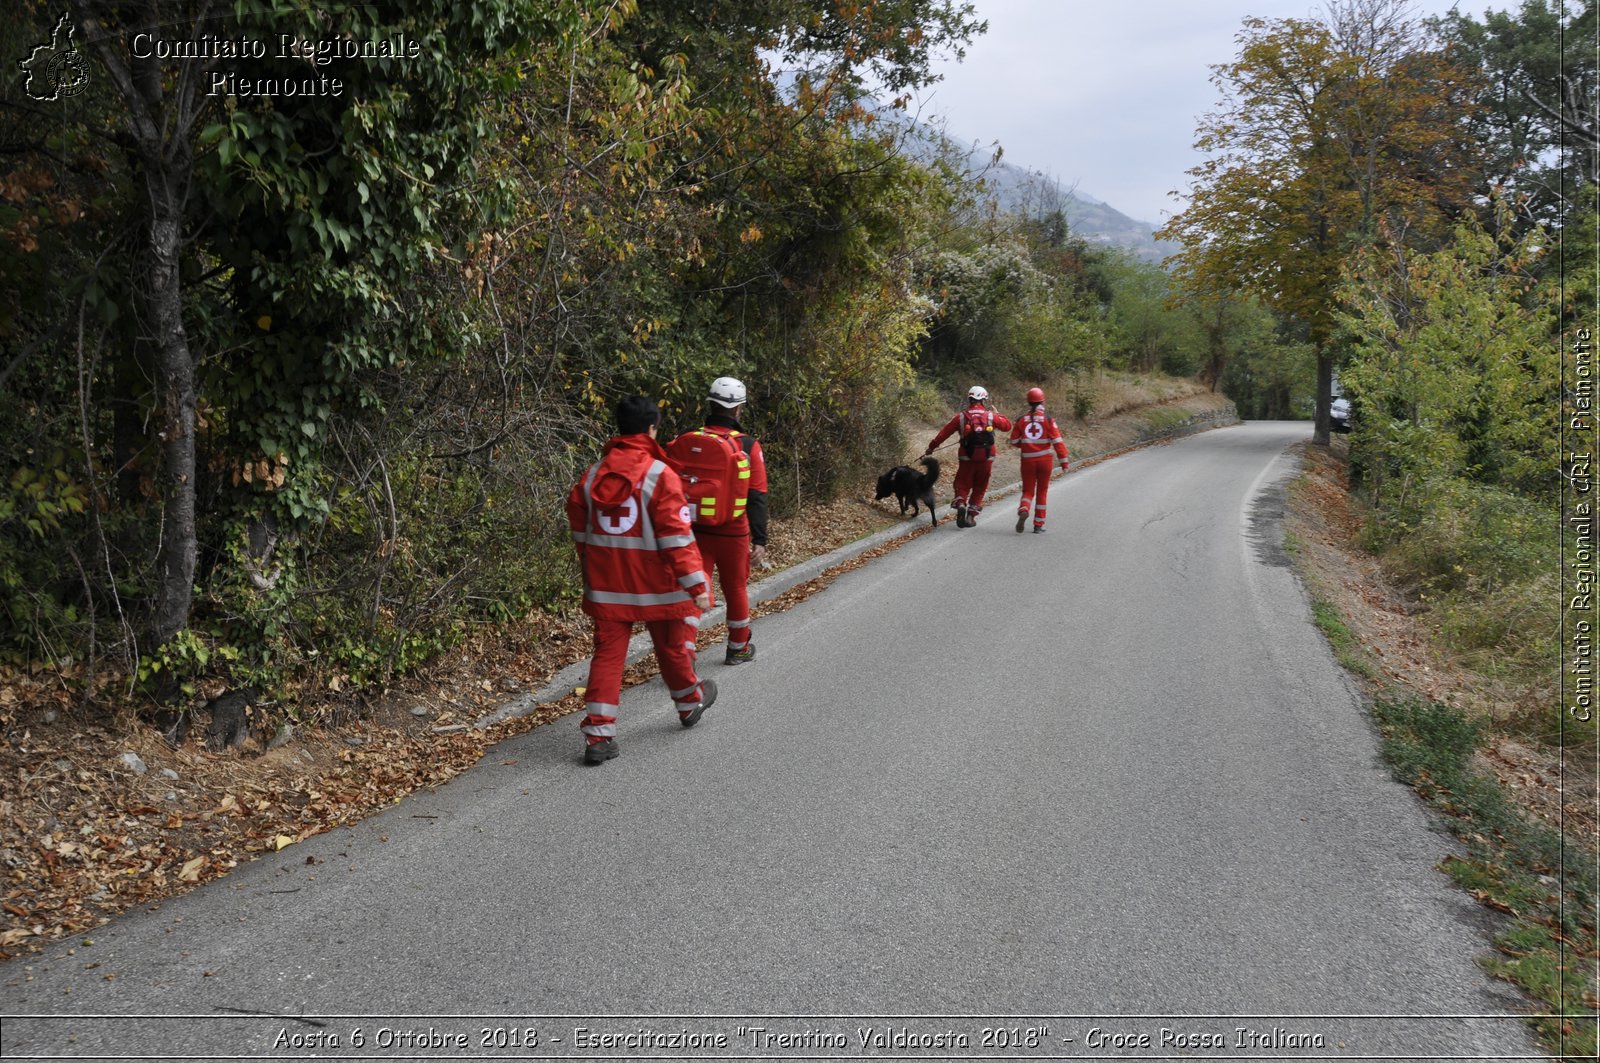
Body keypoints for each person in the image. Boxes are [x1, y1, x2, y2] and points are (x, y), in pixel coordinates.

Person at [566, 395, 716, 765]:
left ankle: (599, 736)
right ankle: (688, 702)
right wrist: (697, 585)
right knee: (672, 648)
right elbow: (676, 537)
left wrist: (595, 567)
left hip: (607, 587)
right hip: (659, 589)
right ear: (652, 429)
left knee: (608, 656)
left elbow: (580, 531)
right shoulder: (659, 475)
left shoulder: (593, 474)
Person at [666, 376, 769, 665]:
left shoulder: (685, 441)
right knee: (735, 588)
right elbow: (757, 495)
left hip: (693, 530)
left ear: (710, 404)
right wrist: (760, 539)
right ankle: (738, 647)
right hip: (733, 532)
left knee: (695, 587)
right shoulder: (748, 446)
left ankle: (684, 652)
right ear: (738, 409)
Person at [925, 385, 1012, 527]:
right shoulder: (991, 416)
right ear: (983, 400)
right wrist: (999, 414)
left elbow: (943, 434)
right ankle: (971, 516)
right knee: (980, 486)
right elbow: (1007, 426)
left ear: (969, 399)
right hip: (987, 457)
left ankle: (960, 503)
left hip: (966, 457)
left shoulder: (960, 417)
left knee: (962, 483)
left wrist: (931, 448)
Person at [1008, 386, 1071, 533]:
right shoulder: (1048, 420)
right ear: (1042, 401)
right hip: (1045, 461)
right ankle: (1038, 524)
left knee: (1028, 490)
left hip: (1027, 462)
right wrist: (1064, 462)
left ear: (1029, 402)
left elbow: (1014, 441)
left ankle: (1024, 508)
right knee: (1042, 491)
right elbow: (1057, 441)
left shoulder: (1021, 420)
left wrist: (1024, 444)